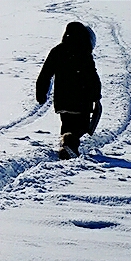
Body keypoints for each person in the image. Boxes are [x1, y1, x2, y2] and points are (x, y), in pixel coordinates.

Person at [35, 21, 103, 159]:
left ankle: (66, 148)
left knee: (66, 124)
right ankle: (69, 144)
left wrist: (41, 92)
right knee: (81, 126)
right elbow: (92, 76)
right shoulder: (83, 52)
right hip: (81, 98)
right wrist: (96, 96)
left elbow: (45, 73)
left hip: (62, 99)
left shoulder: (57, 50)